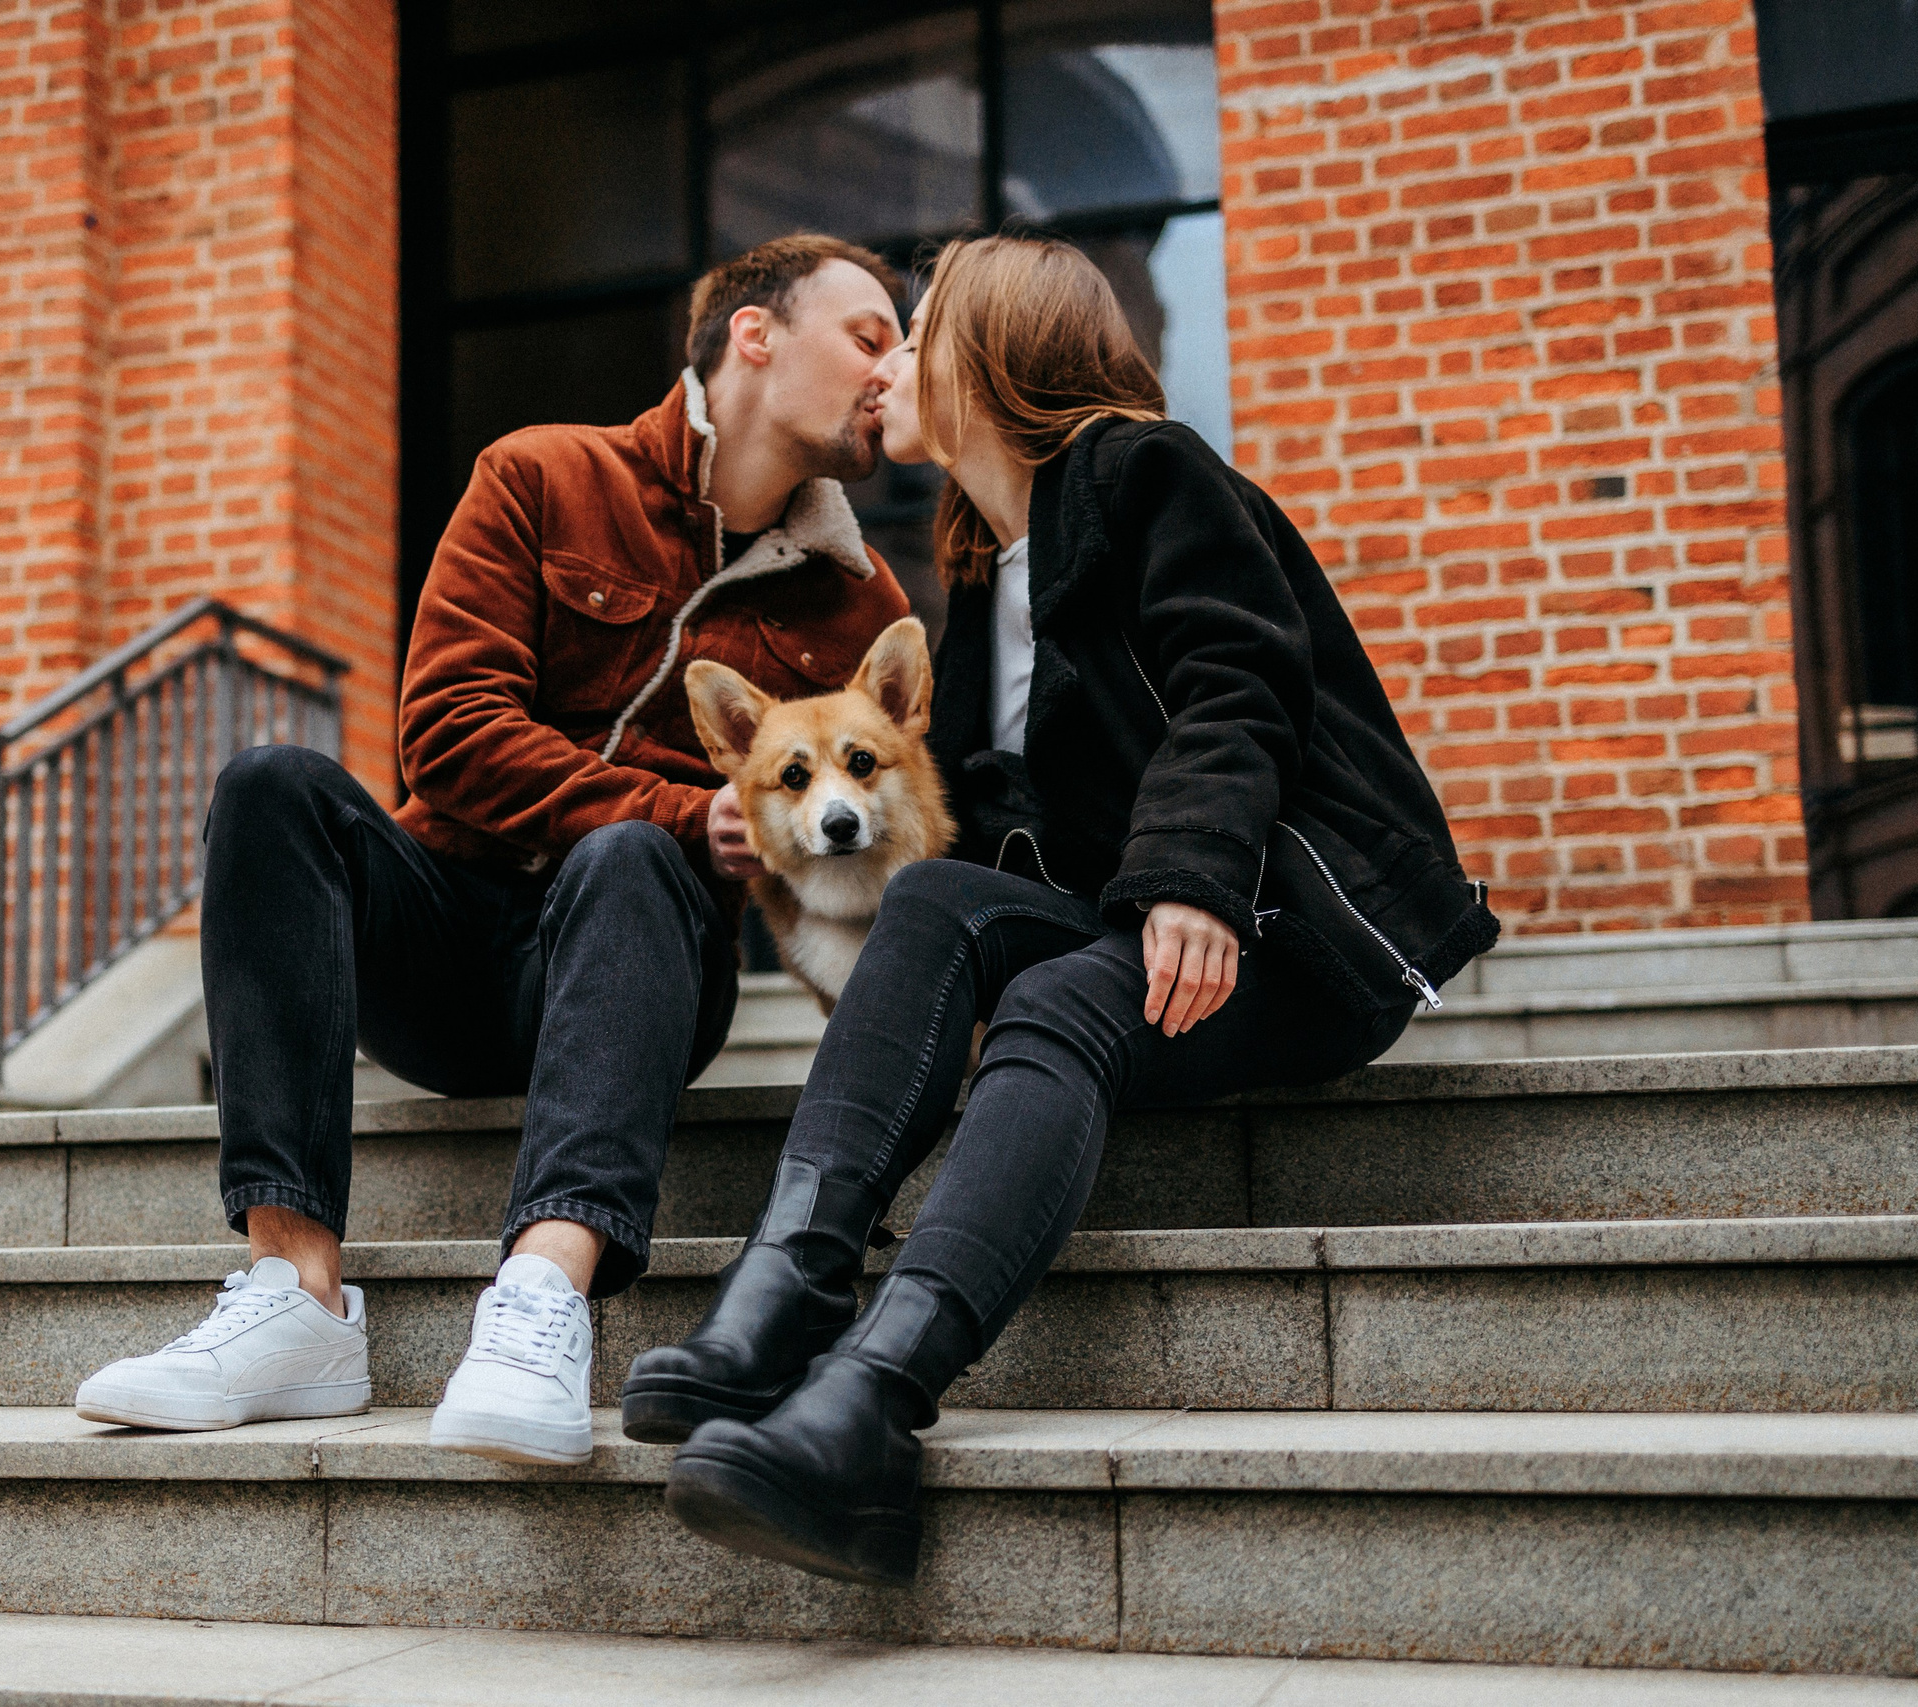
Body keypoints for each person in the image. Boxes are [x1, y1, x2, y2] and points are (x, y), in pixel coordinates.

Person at [626, 234, 1498, 1581]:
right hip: (1131, 925)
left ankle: (873, 1403)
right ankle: (781, 1296)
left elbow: (1237, 686)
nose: (889, 364)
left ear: (991, 354)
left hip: (1287, 930)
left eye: (913, 336)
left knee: (1058, 992)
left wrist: (1196, 877)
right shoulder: (986, 571)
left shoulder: (1149, 473)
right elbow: (996, 804)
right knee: (932, 911)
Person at [73, 235, 915, 1465]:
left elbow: (855, 850)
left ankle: (542, 1298)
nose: (890, 371)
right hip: (452, 950)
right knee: (272, 787)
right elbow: (448, 733)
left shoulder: (862, 607)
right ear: (754, 335)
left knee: (629, 855)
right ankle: (294, 1301)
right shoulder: (541, 477)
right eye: (869, 335)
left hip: (645, 963)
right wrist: (686, 807)